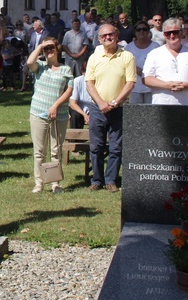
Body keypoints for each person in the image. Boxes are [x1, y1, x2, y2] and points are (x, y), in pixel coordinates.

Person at [85, 24, 136, 192]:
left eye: (110, 34)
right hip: (96, 108)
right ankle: (97, 180)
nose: (107, 37)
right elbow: (89, 83)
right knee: (96, 147)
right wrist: (100, 103)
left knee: (116, 147)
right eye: (104, 36)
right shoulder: (94, 57)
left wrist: (114, 102)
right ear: (99, 39)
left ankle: (111, 180)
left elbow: (130, 83)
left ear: (117, 35)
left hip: (118, 108)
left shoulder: (127, 56)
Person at [27, 38, 74, 193]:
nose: (49, 51)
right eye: (46, 49)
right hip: (38, 113)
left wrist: (55, 106)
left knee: (56, 149)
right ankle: (39, 183)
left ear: (57, 49)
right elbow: (29, 62)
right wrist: (40, 45)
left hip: (58, 115)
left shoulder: (65, 69)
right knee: (39, 151)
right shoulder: (40, 67)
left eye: (51, 47)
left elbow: (69, 90)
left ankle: (55, 183)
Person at [142, 18, 188, 105]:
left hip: (187, 105)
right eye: (168, 33)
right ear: (164, 35)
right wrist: (167, 85)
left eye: (175, 32)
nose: (172, 36)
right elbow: (146, 79)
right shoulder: (154, 53)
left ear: (181, 33)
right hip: (161, 106)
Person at [126, 21, 159, 104]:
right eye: (139, 29)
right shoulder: (129, 47)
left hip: (151, 87)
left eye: (144, 29)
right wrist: (135, 68)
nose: (141, 31)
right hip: (135, 87)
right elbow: (124, 65)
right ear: (135, 32)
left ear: (148, 31)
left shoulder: (156, 46)